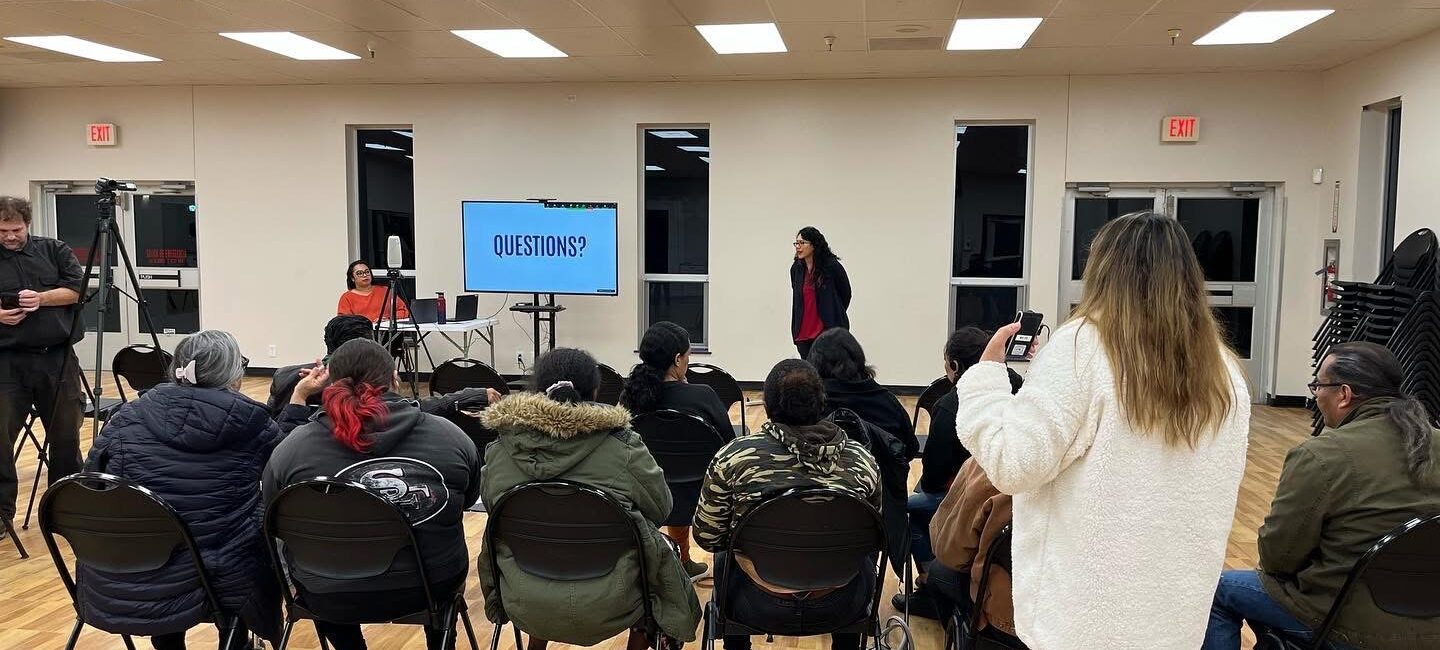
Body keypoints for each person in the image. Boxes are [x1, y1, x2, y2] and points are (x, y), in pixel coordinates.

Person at [954, 212, 1251, 650]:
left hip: (1085, 618)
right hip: (1174, 616)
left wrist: (986, 379)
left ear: (1102, 269)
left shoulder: (1081, 348)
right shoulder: (1225, 371)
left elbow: (1012, 463)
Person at [1204, 342, 1440, 650]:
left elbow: (1278, 558)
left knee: (1217, 590)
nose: (1315, 395)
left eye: (1318, 386)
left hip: (1347, 625)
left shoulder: (1323, 455)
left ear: (1344, 394)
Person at [262, 338, 479, 650]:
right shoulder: (450, 437)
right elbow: (467, 499)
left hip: (326, 590)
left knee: (322, 576)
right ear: (394, 379)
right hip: (426, 587)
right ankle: (440, 640)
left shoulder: (292, 448)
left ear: (330, 385)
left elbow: (273, 513)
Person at [478, 348, 700, 650]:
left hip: (523, 596)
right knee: (654, 563)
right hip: (616, 600)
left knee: (544, 542)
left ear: (537, 391)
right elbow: (662, 508)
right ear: (595, 392)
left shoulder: (501, 450)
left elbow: (493, 507)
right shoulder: (623, 447)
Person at [82, 330, 283, 649]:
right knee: (257, 529)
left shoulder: (125, 416)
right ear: (233, 375)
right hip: (220, 574)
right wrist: (296, 404)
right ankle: (235, 639)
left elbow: (90, 485)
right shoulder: (254, 424)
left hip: (130, 567)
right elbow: (285, 472)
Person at [694, 359, 881, 650]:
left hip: (756, 603)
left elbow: (708, 536)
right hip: (841, 603)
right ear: (822, 404)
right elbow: (874, 540)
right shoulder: (863, 461)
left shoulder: (733, 458)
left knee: (724, 557)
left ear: (768, 407)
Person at [893, 327, 1023, 617]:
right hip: (1017, 498)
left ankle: (932, 586)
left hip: (974, 498)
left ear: (954, 365)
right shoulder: (1020, 388)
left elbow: (933, 478)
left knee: (908, 511)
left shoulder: (950, 407)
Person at [620, 320, 733, 581]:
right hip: (703, 493)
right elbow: (728, 444)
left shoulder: (631, 396)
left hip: (647, 489)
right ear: (677, 359)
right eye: (688, 356)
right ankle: (692, 564)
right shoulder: (703, 395)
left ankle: (672, 562)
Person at [0, 196, 85, 534]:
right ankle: (2, 514)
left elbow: (78, 289)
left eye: (16, 229)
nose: (10, 236)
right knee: (0, 437)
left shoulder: (54, 250)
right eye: (3, 231)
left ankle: (65, 510)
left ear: (27, 224)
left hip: (57, 358)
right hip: (7, 361)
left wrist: (42, 298)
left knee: (66, 436)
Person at [926, 457, 1017, 644]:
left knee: (937, 571)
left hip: (1006, 616)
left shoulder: (990, 465)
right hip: (1071, 623)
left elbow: (950, 552)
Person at [808, 327, 918, 459]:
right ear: (858, 358)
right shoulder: (887, 402)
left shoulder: (810, 407)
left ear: (815, 364)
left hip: (823, 471)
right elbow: (910, 449)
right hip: (881, 472)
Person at [267, 314, 373, 416]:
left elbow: (270, 419)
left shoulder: (283, 375)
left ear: (326, 339)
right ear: (367, 345)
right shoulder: (370, 384)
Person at [790, 226, 850, 359]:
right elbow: (797, 301)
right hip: (803, 335)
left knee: (828, 369)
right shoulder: (796, 269)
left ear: (814, 245)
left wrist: (834, 313)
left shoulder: (831, 266)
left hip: (827, 333)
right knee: (809, 370)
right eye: (796, 243)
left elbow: (845, 293)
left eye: (802, 243)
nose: (798, 247)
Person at [336, 259, 408, 322]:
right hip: (360, 332)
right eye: (359, 273)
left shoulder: (385, 291)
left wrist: (388, 319)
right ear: (352, 278)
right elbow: (344, 322)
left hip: (385, 331)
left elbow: (404, 311)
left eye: (367, 272)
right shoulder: (347, 297)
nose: (365, 275)